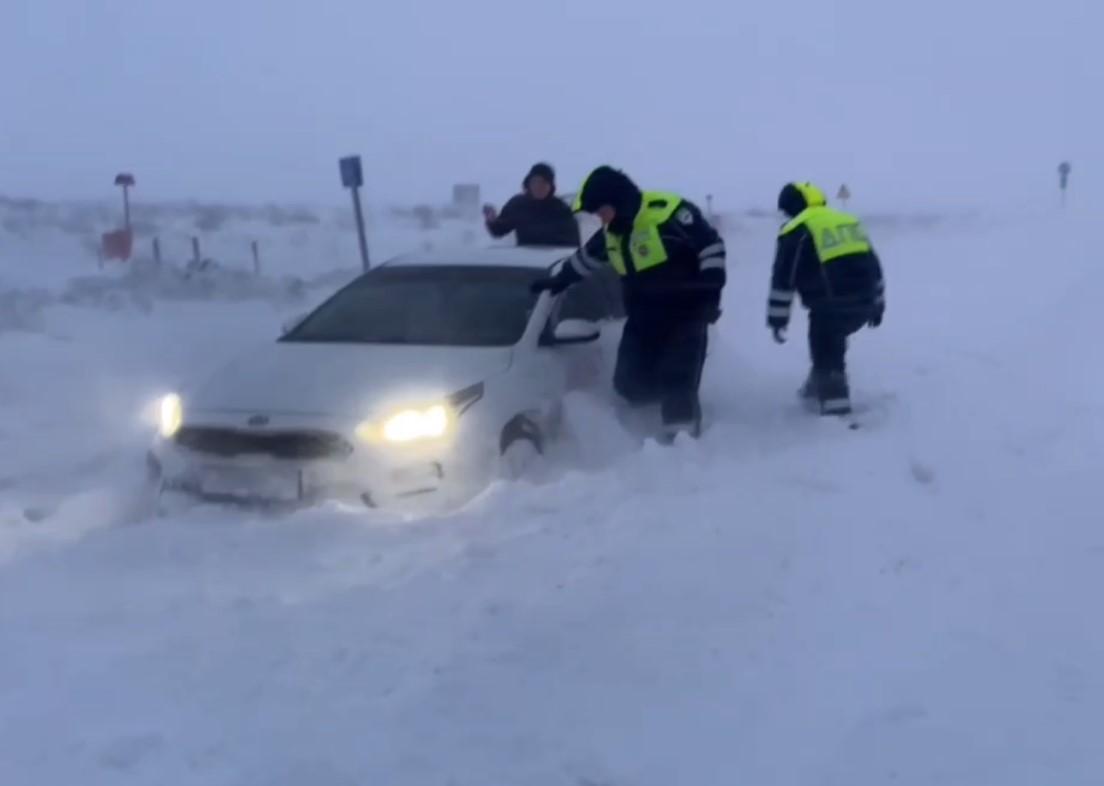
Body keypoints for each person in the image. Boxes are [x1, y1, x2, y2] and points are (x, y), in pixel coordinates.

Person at [530, 166, 727, 440]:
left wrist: (710, 293)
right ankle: (645, 436)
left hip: (686, 315)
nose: (599, 218)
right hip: (642, 319)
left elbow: (712, 247)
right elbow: (585, 260)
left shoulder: (669, 214)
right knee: (628, 384)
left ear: (616, 200)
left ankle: (681, 449)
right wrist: (558, 281)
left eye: (601, 210)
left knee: (677, 382)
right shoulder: (613, 231)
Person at [766, 181, 886, 416]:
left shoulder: (796, 229)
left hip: (830, 307)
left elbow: (783, 281)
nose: (785, 216)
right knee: (830, 344)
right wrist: (878, 306)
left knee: (827, 351)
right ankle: (813, 390)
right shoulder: (848, 221)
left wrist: (777, 320)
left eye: (786, 210)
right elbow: (874, 267)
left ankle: (836, 413)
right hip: (865, 303)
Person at [483, 162, 581, 247]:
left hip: (551, 262)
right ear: (528, 184)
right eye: (535, 182)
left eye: (544, 182)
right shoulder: (518, 205)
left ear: (551, 186)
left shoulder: (561, 209)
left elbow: (573, 245)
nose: (539, 186)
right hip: (526, 261)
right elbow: (499, 230)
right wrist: (491, 220)